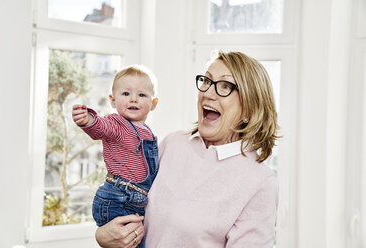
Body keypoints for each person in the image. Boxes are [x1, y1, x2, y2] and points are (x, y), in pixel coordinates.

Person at [95, 51, 279, 248]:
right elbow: (127, 205)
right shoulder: (173, 143)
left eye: (225, 86)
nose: (208, 93)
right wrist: (103, 236)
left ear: (250, 108)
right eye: (207, 81)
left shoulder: (259, 182)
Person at [72, 65, 159, 248]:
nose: (133, 99)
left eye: (142, 95)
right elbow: (101, 127)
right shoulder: (118, 124)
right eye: (126, 94)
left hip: (134, 201)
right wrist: (88, 120)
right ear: (112, 100)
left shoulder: (148, 133)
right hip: (117, 198)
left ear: (153, 103)